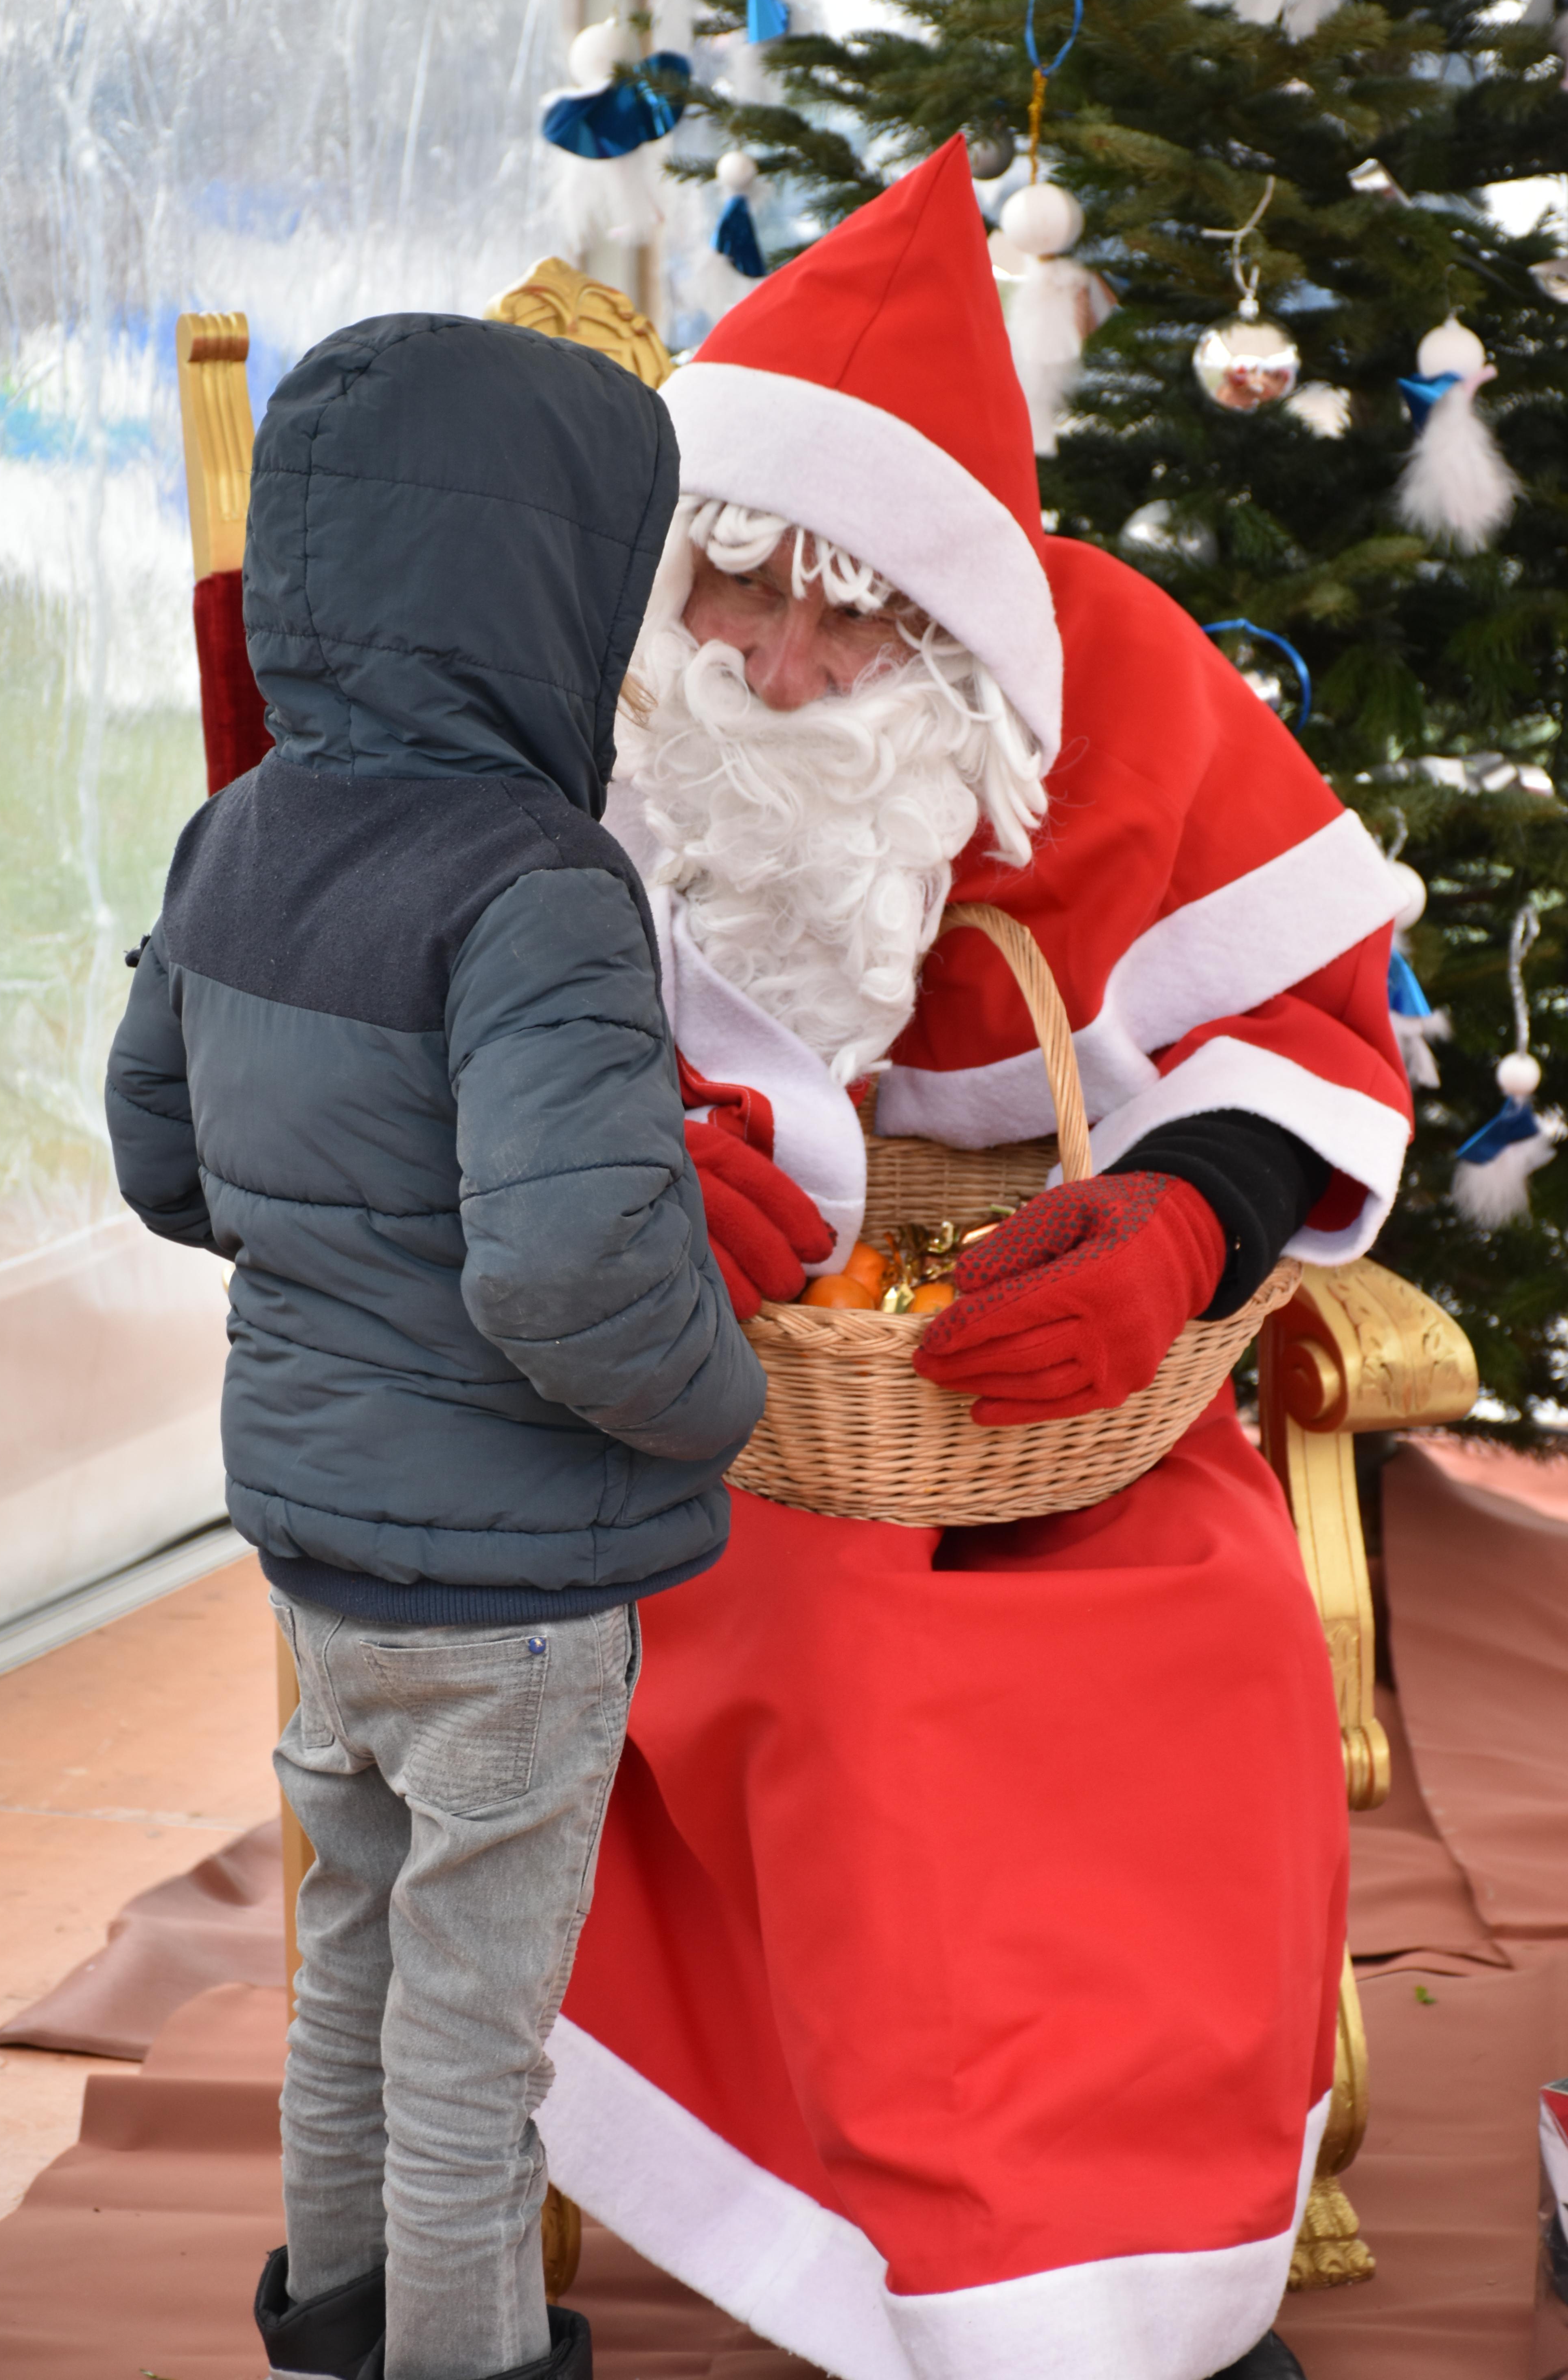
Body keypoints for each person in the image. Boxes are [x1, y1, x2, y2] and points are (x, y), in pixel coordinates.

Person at [531, 143, 1413, 2380]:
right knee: (843, 1693)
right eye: (736, 586)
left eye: (860, 619)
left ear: (960, 637)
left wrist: (1187, 1212)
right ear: (667, 560)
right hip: (664, 1420)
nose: (787, 668)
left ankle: (1124, 2275)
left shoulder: (1112, 680)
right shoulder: (553, 682)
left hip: (1045, 1389)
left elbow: (1300, 1024)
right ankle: (946, 2274)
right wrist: (588, 1169)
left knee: (1202, 1638)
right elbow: (367, 1024)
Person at [104, 314, 768, 2380]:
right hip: (510, 1589)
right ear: (548, 586)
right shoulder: (539, 885)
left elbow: (159, 1156)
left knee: (354, 1966)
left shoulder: (242, 834)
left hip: (317, 1550)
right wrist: (717, 1406)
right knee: (476, 2041)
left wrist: (327, 1248)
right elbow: (568, 1269)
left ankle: (334, 2321)